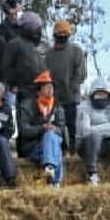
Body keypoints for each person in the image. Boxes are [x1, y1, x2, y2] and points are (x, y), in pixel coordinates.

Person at [18, 70, 65, 187]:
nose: (50, 90)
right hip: (33, 147)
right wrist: (42, 128)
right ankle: (55, 181)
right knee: (51, 140)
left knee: (52, 137)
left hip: (52, 144)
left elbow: (61, 130)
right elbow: (24, 130)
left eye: (51, 87)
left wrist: (53, 129)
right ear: (39, 91)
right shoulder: (27, 106)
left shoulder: (57, 107)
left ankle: (50, 168)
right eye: (46, 87)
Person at [46, 19, 87, 148]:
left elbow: (81, 74)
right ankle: (61, 150)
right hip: (54, 98)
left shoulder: (76, 51)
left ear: (69, 35)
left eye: (65, 34)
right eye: (60, 33)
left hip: (71, 96)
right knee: (57, 125)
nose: (62, 36)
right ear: (55, 35)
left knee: (72, 126)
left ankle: (73, 150)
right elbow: (46, 76)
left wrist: (72, 88)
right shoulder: (49, 54)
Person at [3, 11, 46, 109]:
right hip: (21, 92)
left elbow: (43, 69)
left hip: (38, 93)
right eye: (37, 28)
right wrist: (13, 84)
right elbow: (6, 67)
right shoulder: (15, 44)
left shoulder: (39, 46)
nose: (39, 31)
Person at [76, 77, 110, 184]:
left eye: (103, 94)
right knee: (94, 136)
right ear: (92, 94)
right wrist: (105, 129)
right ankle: (92, 174)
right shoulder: (83, 107)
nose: (101, 97)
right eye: (98, 94)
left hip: (105, 144)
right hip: (86, 145)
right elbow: (85, 131)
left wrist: (97, 129)